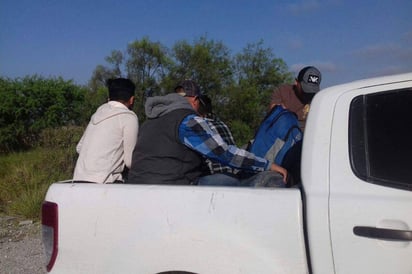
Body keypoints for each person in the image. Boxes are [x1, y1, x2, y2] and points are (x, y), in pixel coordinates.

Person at [127, 80, 287, 187]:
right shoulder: (187, 120)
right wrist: (267, 165)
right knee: (230, 182)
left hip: (138, 185)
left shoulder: (150, 122)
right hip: (171, 188)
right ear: (195, 100)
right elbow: (224, 154)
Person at [73, 78, 139, 183]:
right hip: (104, 184)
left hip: (78, 181)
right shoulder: (129, 117)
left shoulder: (97, 114)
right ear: (131, 100)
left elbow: (79, 148)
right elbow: (130, 161)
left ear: (109, 99)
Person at [270, 66, 321, 130]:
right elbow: (275, 114)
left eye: (313, 90)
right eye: (305, 89)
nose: (309, 93)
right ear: (296, 82)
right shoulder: (282, 91)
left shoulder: (319, 99)